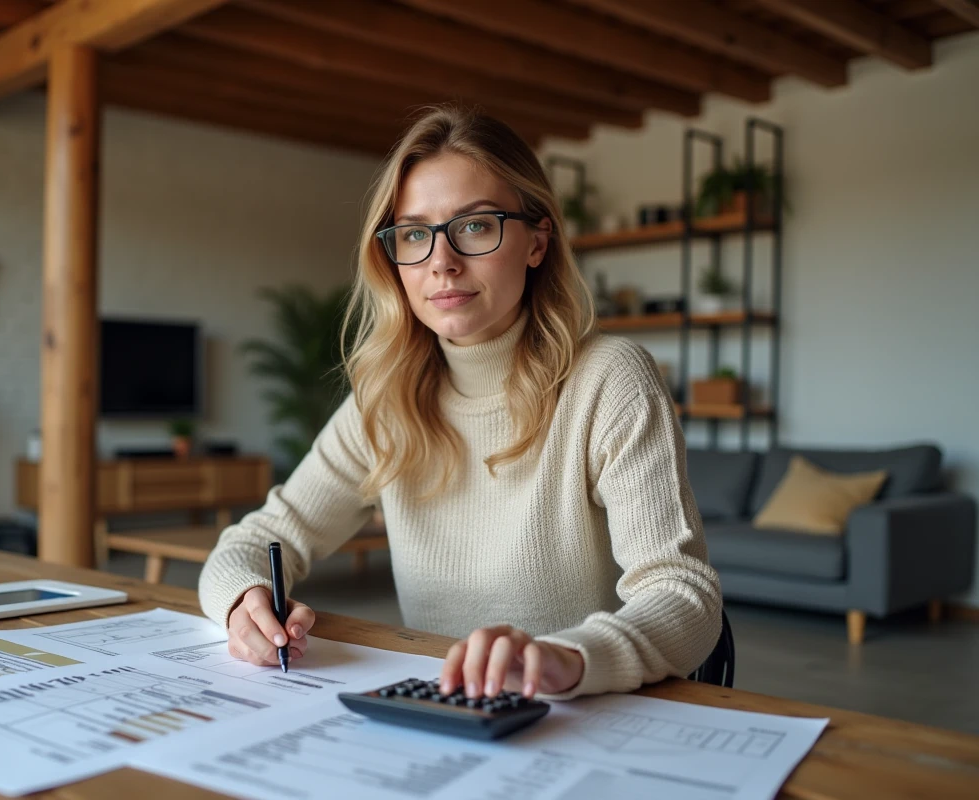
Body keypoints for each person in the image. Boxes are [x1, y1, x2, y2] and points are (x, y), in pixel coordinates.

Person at [199, 105, 721, 702]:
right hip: (439, 715)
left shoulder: (610, 380)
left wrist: (569, 658)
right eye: (416, 234)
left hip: (581, 720)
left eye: (475, 226)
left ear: (536, 241)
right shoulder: (387, 398)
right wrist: (244, 604)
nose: (442, 262)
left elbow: (684, 594)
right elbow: (258, 539)